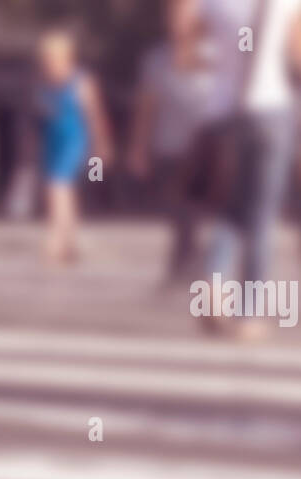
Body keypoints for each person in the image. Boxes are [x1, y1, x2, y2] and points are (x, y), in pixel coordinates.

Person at [196, 0, 301, 326]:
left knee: (228, 208)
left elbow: (189, 46)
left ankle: (214, 285)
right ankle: (249, 313)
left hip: (224, 113)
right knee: (261, 215)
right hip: (272, 109)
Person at [128, 0, 213, 286]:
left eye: (184, 14)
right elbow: (147, 106)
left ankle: (184, 262)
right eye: (172, 14)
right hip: (168, 143)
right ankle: (187, 256)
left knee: (193, 206)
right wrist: (138, 147)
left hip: (204, 145)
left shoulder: (218, 53)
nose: (177, 21)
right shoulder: (156, 59)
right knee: (176, 207)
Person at [34, 28, 114, 265]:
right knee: (63, 191)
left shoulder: (81, 82)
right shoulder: (42, 83)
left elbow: (94, 115)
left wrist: (102, 144)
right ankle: (70, 240)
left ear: (66, 58)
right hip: (52, 141)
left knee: (57, 186)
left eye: (52, 60)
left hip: (74, 141)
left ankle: (57, 239)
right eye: (45, 62)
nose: (48, 66)